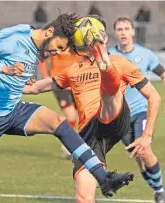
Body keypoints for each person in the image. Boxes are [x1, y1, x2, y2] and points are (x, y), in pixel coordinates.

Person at [0, 13, 134, 203]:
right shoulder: (15, 37)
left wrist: (24, 79)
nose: (57, 53)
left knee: (59, 123)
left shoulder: (38, 46)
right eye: (58, 47)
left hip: (13, 110)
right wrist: (4, 69)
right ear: (49, 31)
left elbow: (21, 70)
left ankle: (103, 178)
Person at [23, 15, 162, 203]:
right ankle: (104, 69)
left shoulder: (121, 62)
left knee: (108, 95)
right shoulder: (73, 70)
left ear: (104, 39)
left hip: (113, 116)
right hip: (89, 134)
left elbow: (154, 96)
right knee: (83, 197)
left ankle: (105, 68)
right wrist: (2, 79)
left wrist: (146, 136)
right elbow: (35, 88)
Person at [109, 17, 165, 203]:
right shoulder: (109, 56)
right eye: (119, 29)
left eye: (126, 28)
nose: (123, 32)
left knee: (144, 150)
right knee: (138, 158)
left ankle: (160, 191)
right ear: (115, 32)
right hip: (120, 116)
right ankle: (156, 188)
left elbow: (162, 73)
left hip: (141, 110)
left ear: (133, 31)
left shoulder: (146, 54)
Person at [38, 50, 81, 160]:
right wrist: (46, 77)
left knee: (77, 118)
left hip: (77, 84)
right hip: (60, 84)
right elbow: (41, 58)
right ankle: (68, 145)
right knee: (71, 116)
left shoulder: (77, 41)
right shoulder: (56, 42)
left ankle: (74, 145)